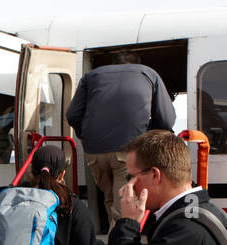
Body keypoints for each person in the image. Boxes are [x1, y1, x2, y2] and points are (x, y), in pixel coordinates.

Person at [66, 52, 175, 225]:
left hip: (94, 151)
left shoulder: (91, 76)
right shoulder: (148, 73)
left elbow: (72, 115)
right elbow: (166, 120)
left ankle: (112, 241)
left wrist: (85, 135)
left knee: (111, 201)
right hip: (127, 151)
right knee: (122, 211)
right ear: (137, 63)